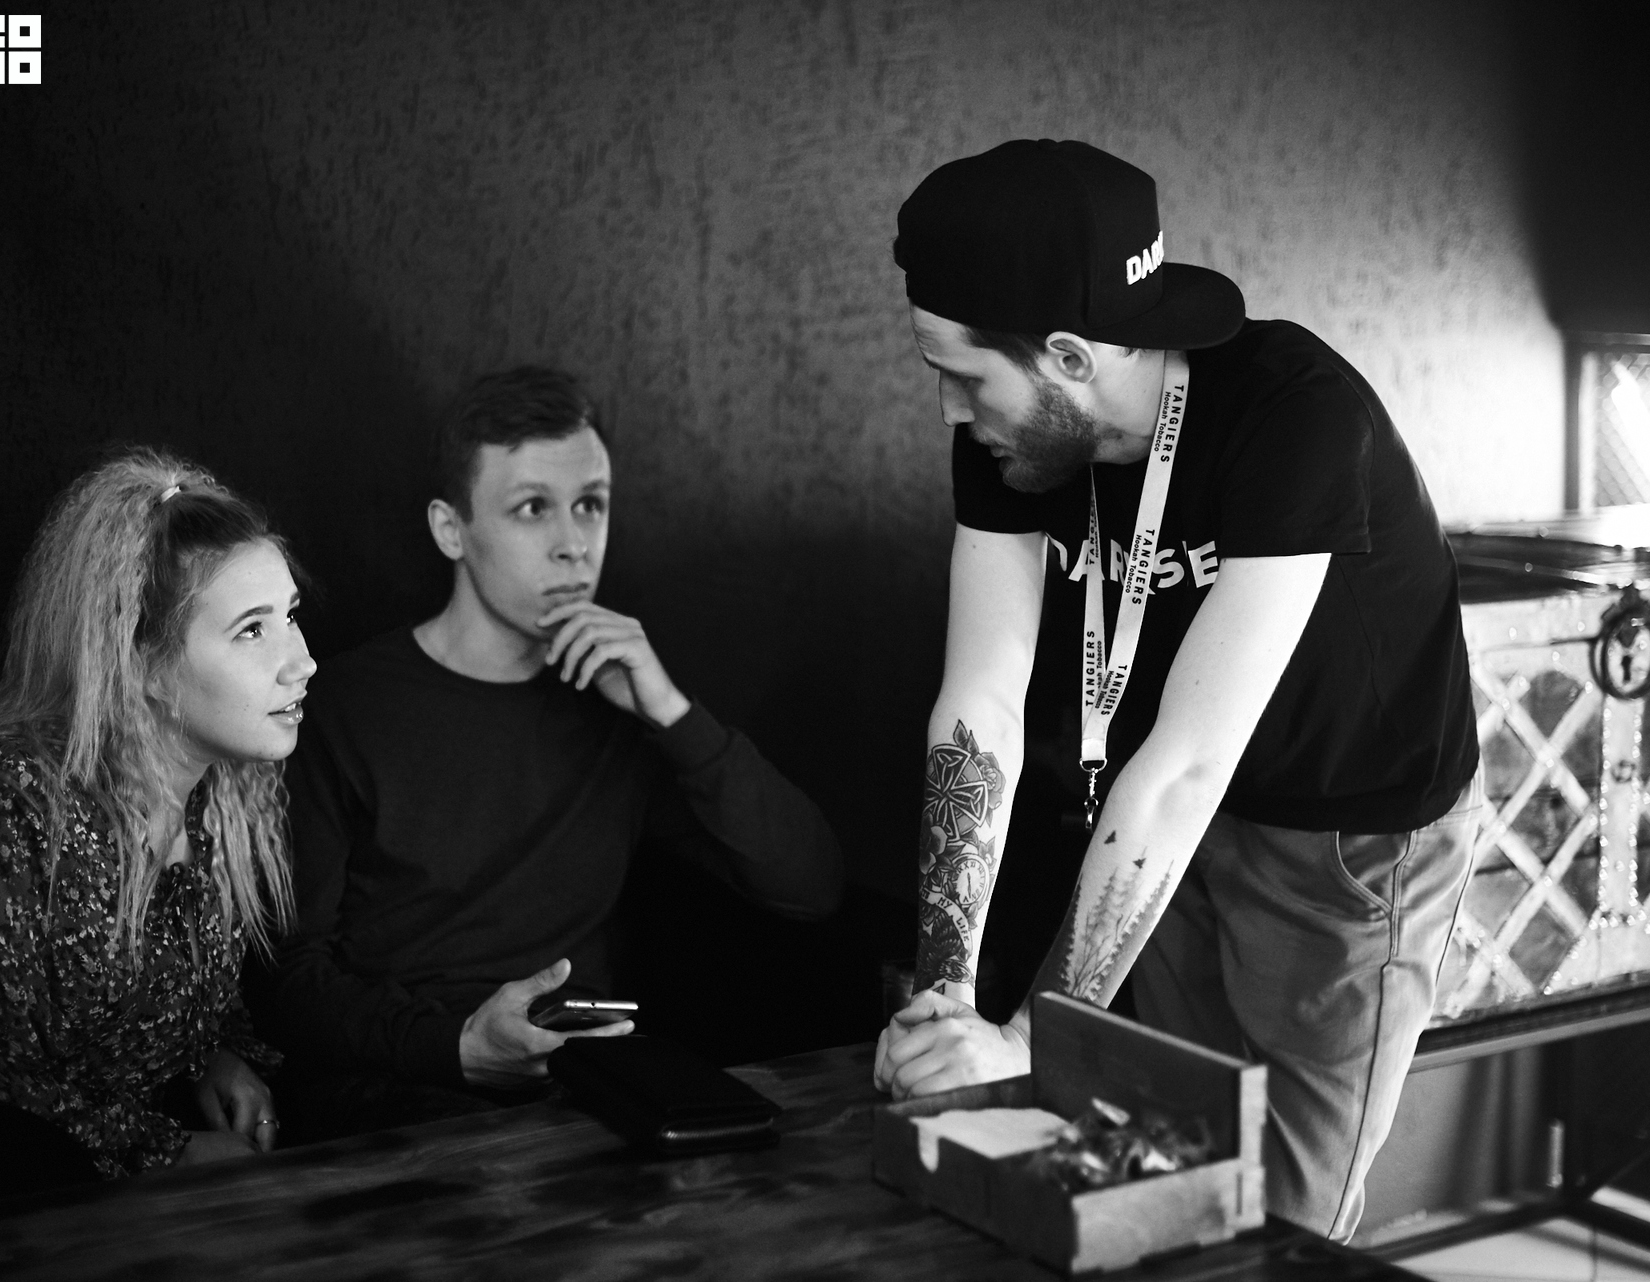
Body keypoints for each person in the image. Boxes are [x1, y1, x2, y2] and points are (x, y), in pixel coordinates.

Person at [872, 140, 1483, 1240]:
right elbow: (980, 705)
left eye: (964, 376)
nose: (954, 411)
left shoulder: (1296, 414)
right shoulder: (1017, 438)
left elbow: (1193, 760)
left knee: (1284, 1213)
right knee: (1157, 1163)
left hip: (1346, 841)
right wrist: (947, 994)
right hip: (1156, 824)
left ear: (1067, 355)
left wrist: (1022, 1041)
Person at [255, 366, 844, 1136]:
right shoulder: (341, 708)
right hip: (399, 1094)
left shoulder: (618, 706)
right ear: (451, 529)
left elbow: (810, 887)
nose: (572, 545)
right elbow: (286, 982)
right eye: (533, 508)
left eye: (590, 505)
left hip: (584, 1091)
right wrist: (458, 1047)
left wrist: (671, 712)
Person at [0, 449, 315, 1195]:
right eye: (252, 631)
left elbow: (175, 994)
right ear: (142, 663)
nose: (303, 662)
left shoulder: (227, 790)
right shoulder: (3, 798)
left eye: (289, 616)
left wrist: (213, 1055)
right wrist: (162, 1152)